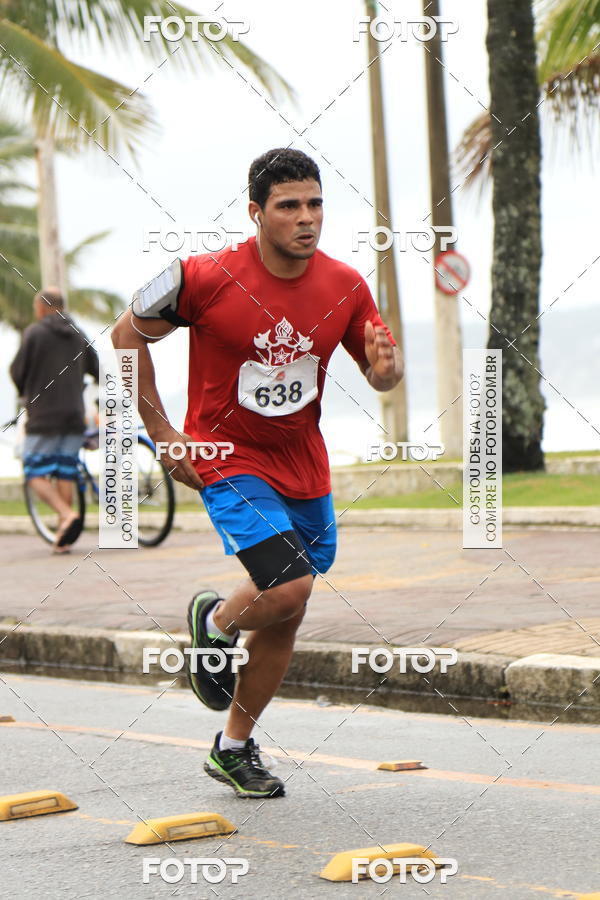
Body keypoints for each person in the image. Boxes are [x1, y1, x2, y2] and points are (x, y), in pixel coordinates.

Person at [111, 148, 403, 798]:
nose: (307, 219)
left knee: (284, 613)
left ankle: (233, 747)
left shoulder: (345, 285)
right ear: (256, 212)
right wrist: (164, 434)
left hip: (303, 464)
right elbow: (124, 338)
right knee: (290, 585)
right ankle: (212, 625)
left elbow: (381, 372)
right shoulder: (201, 277)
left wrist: (388, 370)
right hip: (225, 456)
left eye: (315, 204)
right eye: (289, 206)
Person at [10, 287, 99, 552]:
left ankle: (66, 514)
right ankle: (64, 537)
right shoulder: (78, 333)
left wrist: (26, 392)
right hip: (73, 415)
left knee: (33, 470)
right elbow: (96, 369)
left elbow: (17, 372)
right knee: (65, 470)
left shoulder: (34, 333)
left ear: (41, 307)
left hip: (44, 416)